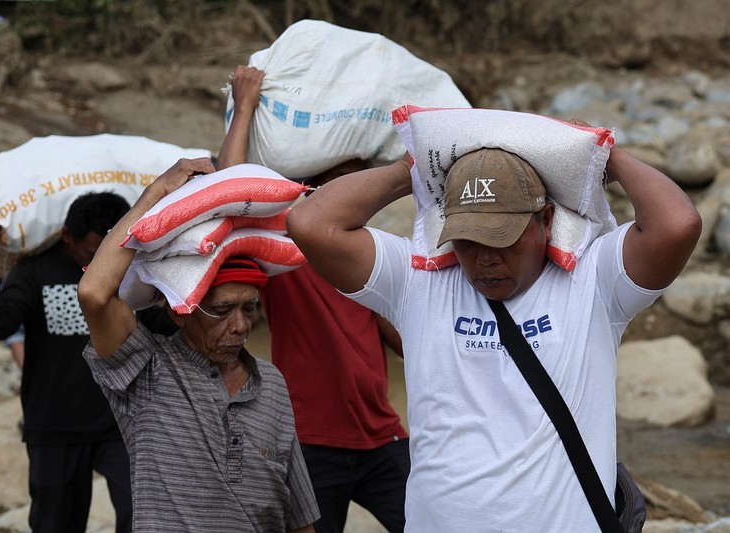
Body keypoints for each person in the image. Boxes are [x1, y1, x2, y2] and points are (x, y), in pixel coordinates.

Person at [286, 124, 702, 532]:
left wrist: (606, 158)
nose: (485, 259)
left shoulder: (592, 280)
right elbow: (311, 224)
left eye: (502, 239)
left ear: (546, 220)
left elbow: (677, 224)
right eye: (467, 241)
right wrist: (411, 167)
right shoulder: (419, 281)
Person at [77, 157, 320, 533]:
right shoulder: (146, 372)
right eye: (222, 310)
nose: (240, 326)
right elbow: (94, 294)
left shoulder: (271, 383)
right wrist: (155, 195)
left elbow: (300, 514)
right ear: (180, 312)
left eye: (249, 308)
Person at [218, 65, 410, 533]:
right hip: (309, 446)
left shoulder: (371, 251)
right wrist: (244, 107)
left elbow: (402, 339)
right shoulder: (286, 247)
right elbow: (229, 193)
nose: (357, 190)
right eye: (345, 180)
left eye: (362, 179)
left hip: (382, 436)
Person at [0, 192, 135, 533]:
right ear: (67, 236)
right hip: (55, 427)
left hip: (120, 423)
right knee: (55, 525)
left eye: (110, 248)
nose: (103, 259)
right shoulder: (34, 272)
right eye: (92, 252)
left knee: (145, 515)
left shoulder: (129, 270)